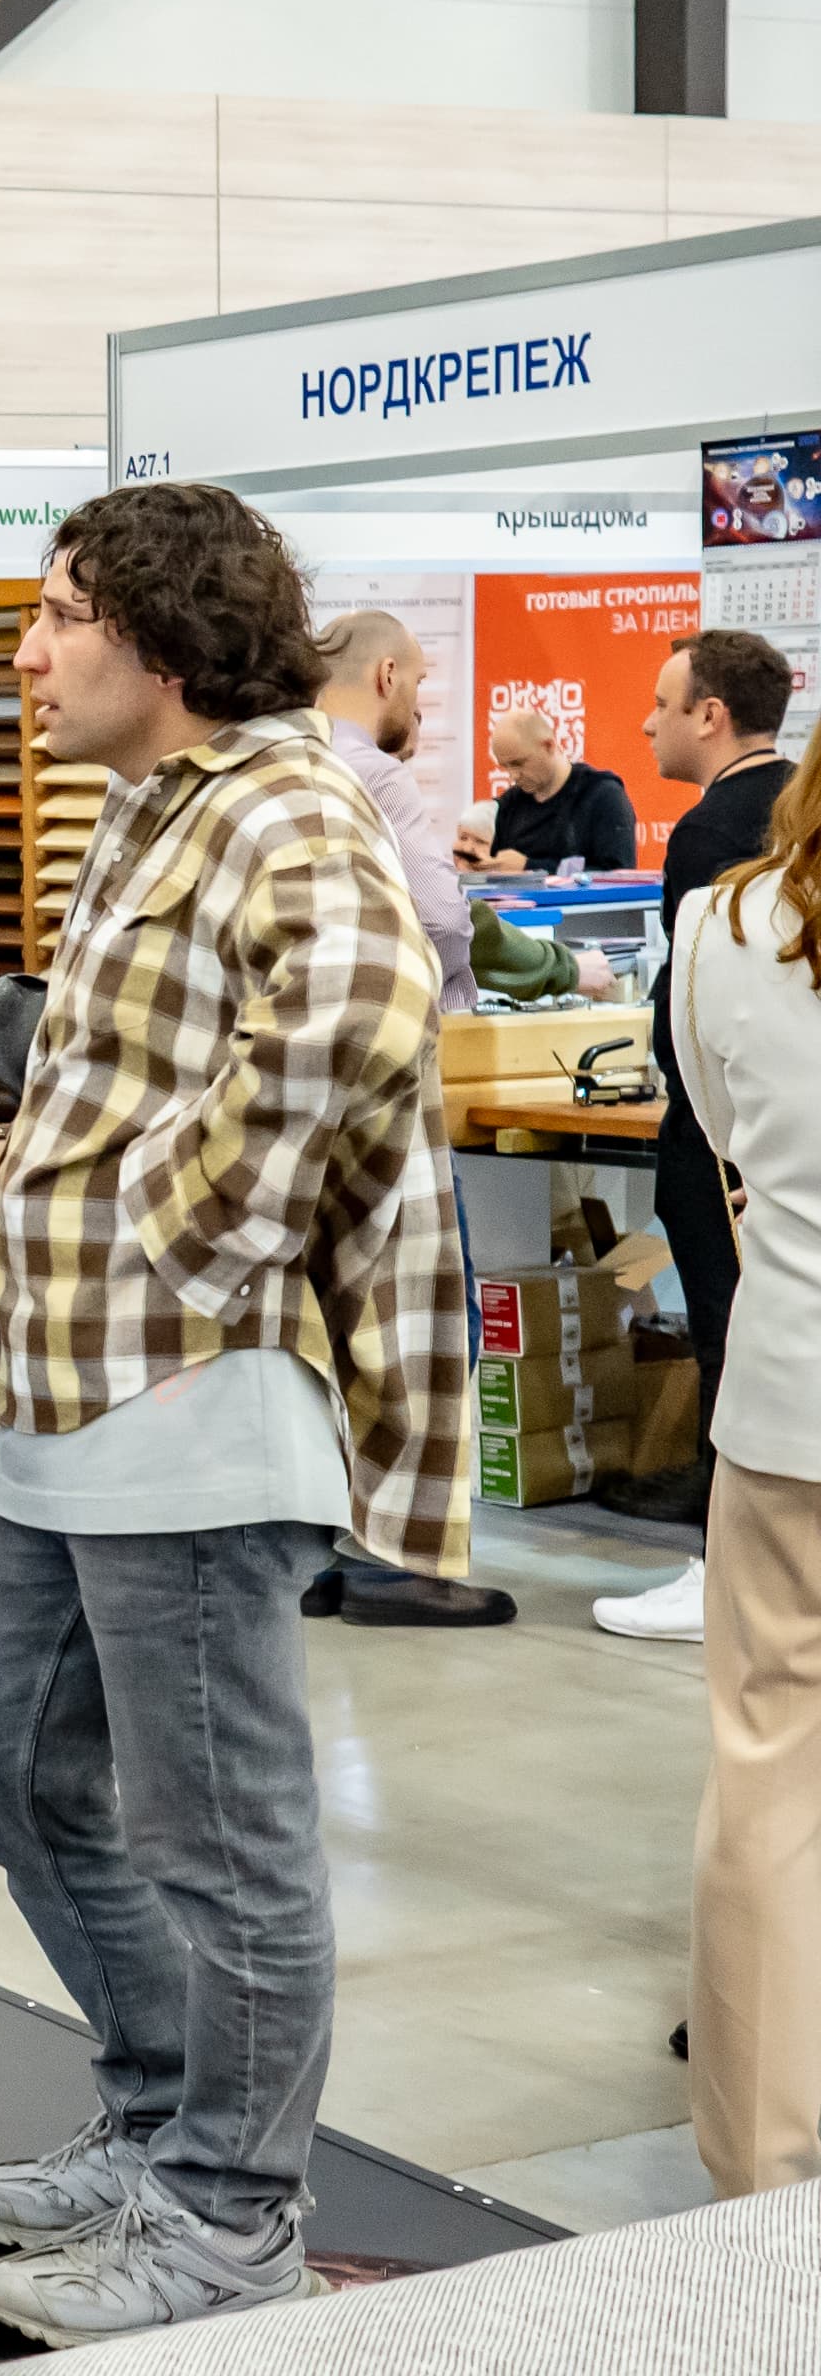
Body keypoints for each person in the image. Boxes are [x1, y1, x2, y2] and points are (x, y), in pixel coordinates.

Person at [0, 484, 467, 2346]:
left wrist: (193, 1245)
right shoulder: (153, 805)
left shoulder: (281, 801)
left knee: (222, 1840)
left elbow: (361, 1017)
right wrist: (5, 1162)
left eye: (56, 615)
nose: (26, 654)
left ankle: (229, 2211)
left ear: (166, 640)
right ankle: (161, 2118)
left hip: (186, 1401)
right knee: (13, 1766)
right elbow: (141, 1072)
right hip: (73, 1384)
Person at [662, 738, 821, 2196]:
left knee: (771, 1773)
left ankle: (766, 2179)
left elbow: (726, 1144)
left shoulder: (722, 923)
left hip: (790, 1403)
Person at [299, 613, 516, 1628]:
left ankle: (311, 1548)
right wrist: (452, 990)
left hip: (290, 1083)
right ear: (386, 673)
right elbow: (438, 916)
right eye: (419, 684)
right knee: (422, 1320)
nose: (420, 704)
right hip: (384, 1085)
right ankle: (398, 1558)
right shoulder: (374, 777)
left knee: (310, 1322)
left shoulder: (273, 764)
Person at [609, 627, 800, 1565]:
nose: (648, 725)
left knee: (727, 1322)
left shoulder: (710, 834)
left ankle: (722, 1526)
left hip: (723, 1134)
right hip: (779, 1120)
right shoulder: (797, 807)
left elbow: (696, 1006)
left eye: (662, 704)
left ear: (711, 714)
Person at [485, 708, 638, 873]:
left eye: (518, 763)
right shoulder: (510, 805)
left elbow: (618, 877)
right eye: (505, 766)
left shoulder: (603, 797)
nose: (513, 775)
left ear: (549, 746)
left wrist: (530, 867)